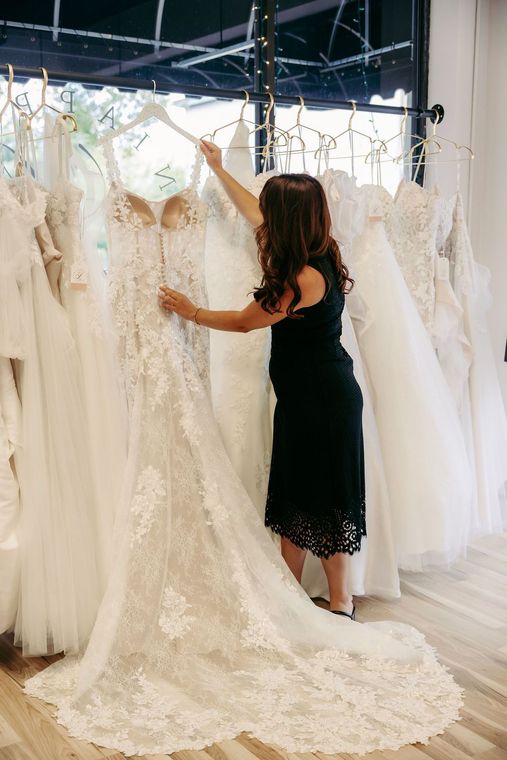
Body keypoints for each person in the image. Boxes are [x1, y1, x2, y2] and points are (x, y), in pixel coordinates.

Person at [159, 139, 365, 619]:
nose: (264, 218)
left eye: (273, 210)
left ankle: (337, 603)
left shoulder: (302, 277)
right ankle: (306, 599)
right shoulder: (320, 249)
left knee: (320, 500)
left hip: (321, 399)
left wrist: (192, 311)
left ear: (288, 220)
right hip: (313, 395)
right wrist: (218, 170)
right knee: (306, 497)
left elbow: (246, 321)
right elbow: (256, 213)